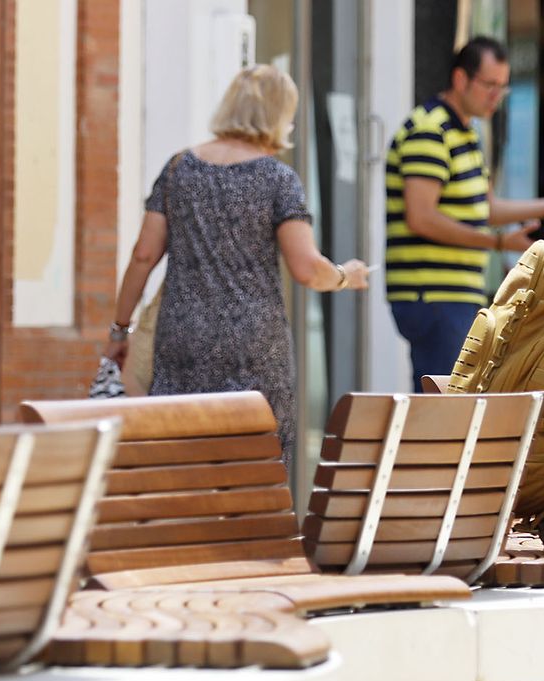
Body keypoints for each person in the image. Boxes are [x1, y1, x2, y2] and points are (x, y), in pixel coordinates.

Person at [104, 65, 369, 458]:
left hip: (183, 338)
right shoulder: (278, 179)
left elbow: (143, 255)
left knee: (180, 455)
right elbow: (307, 268)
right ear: (280, 116)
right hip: (254, 345)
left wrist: (119, 330)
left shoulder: (178, 168)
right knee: (255, 462)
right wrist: (346, 276)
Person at [385, 36, 544, 391]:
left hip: (453, 294)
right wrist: (497, 243)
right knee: (445, 405)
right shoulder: (430, 130)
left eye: (503, 87)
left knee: (452, 403)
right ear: (460, 79)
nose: (496, 96)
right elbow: (421, 217)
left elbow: (487, 209)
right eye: (489, 85)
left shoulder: (465, 131)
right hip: (433, 294)